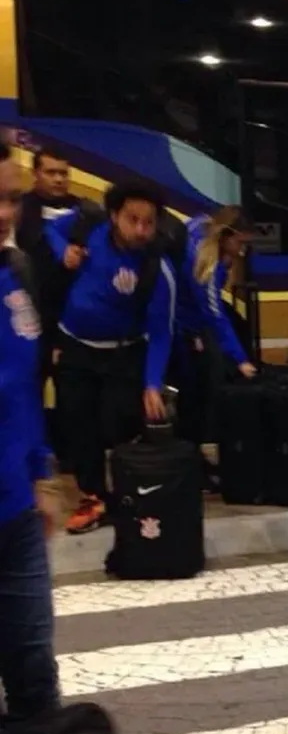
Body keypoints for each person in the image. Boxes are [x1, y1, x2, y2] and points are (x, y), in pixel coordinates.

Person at [45, 180, 176, 535]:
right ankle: (93, 497)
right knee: (77, 424)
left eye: (149, 222)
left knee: (118, 424)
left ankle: (129, 496)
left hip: (123, 353)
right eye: (133, 219)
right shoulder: (87, 224)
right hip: (74, 346)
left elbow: (161, 331)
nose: (141, 230)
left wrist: (152, 383)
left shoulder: (157, 268)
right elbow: (49, 229)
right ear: (114, 216)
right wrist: (63, 251)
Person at [0, 151, 61, 730]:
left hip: (16, 513)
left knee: (36, 677)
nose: (3, 213)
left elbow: (23, 387)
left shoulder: (16, 273)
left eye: (12, 198)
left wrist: (41, 473)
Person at [171, 206, 257, 460]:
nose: (242, 251)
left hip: (180, 317)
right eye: (240, 243)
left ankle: (191, 452)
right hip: (182, 325)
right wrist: (240, 360)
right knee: (197, 391)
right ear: (226, 235)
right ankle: (192, 454)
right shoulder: (207, 267)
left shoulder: (199, 225)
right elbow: (214, 314)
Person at [14, 149, 79, 454]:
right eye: (51, 172)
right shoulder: (19, 208)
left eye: (63, 173)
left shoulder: (84, 210)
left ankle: (69, 453)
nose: (58, 179)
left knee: (71, 389)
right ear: (35, 173)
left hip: (71, 316)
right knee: (30, 383)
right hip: (31, 313)